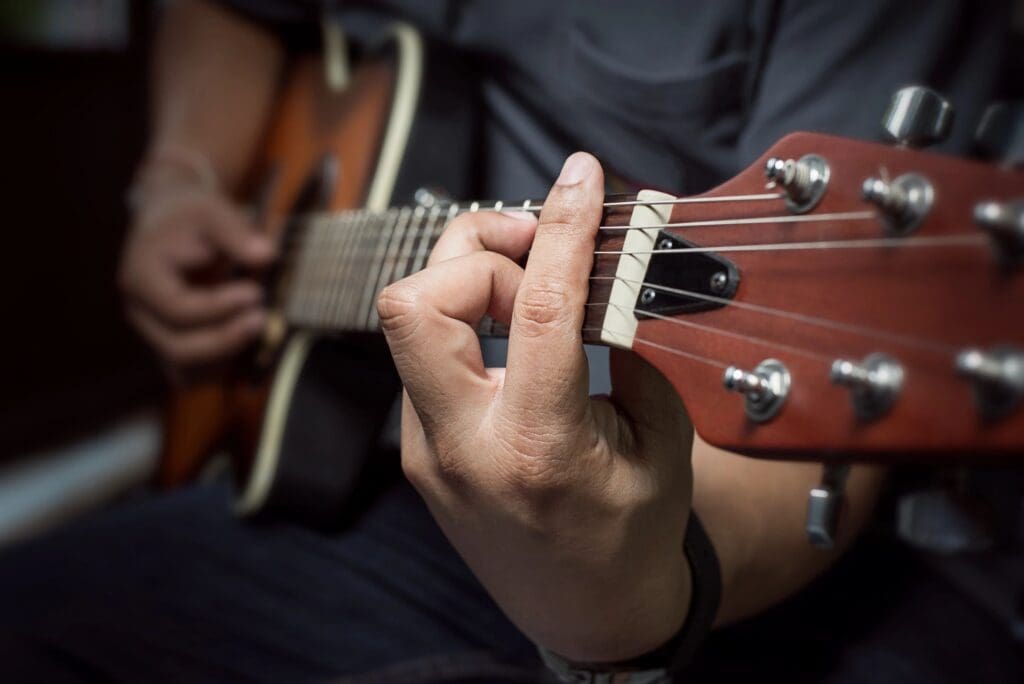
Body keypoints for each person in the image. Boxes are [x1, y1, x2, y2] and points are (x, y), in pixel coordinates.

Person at [2, 1, 1020, 682]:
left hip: (696, 525)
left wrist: (626, 596)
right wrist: (181, 174)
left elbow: (825, 358)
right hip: (343, 444)